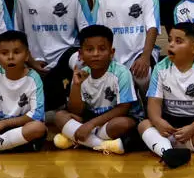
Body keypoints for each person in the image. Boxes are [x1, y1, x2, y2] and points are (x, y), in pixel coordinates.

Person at [14, 0, 93, 111]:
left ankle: (80, 104)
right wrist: (30, 60)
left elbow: (87, 32)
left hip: (67, 57)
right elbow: (17, 35)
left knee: (85, 61)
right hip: (34, 61)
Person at [139, 23, 194, 169]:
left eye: (178, 41)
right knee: (143, 125)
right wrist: (158, 121)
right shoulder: (160, 68)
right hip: (169, 122)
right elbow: (154, 102)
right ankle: (169, 152)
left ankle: (163, 147)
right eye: (170, 40)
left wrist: (192, 129)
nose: (171, 45)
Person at [50, 25, 138, 154]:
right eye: (89, 49)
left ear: (111, 52)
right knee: (59, 116)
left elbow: (123, 108)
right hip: (88, 119)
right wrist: (76, 86)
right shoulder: (81, 74)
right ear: (81, 54)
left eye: (102, 49)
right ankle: (101, 144)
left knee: (123, 124)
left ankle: (77, 139)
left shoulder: (121, 73)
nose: (96, 54)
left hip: (111, 120)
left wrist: (90, 125)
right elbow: (75, 111)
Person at [92, 0, 159, 94]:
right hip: (112, 56)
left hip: (139, 54)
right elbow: (96, 31)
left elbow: (152, 28)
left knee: (144, 75)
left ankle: (147, 103)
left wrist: (145, 57)